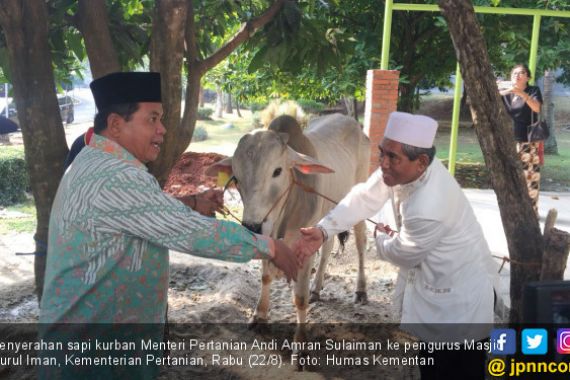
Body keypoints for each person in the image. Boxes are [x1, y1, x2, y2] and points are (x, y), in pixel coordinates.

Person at [39, 72, 297, 378]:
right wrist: (270, 247)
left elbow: (139, 216)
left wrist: (193, 204)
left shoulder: (96, 162)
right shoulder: (117, 177)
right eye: (152, 119)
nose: (162, 130)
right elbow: (191, 233)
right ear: (116, 125)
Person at [294, 112, 499, 380]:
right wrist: (323, 230)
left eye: (392, 157)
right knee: (432, 364)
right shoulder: (404, 171)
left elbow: (404, 253)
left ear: (421, 162)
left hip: (460, 303)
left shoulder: (429, 204)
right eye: (382, 153)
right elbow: (364, 197)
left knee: (454, 370)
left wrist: (381, 238)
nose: (383, 164)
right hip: (443, 291)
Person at [500, 63, 543, 216]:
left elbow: (537, 108)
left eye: (521, 73)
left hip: (527, 140)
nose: (517, 75)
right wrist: (501, 88)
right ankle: (514, 210)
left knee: (529, 176)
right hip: (508, 140)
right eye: (514, 73)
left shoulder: (533, 90)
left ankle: (532, 212)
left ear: (528, 77)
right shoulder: (507, 94)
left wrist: (521, 94)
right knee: (510, 176)